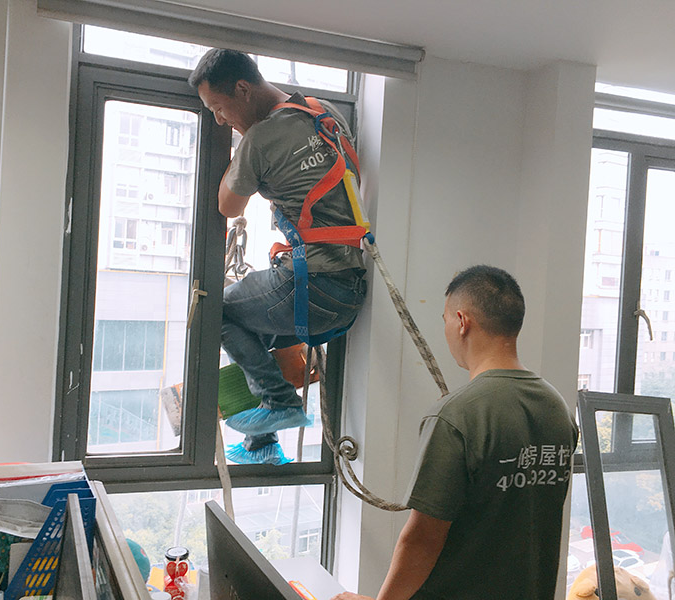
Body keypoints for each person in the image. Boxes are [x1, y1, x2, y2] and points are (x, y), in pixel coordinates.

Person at [332, 265, 579, 600]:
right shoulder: (557, 408)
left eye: (445, 319)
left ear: (462, 322)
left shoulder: (455, 416)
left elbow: (422, 539)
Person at [188, 49, 367, 465]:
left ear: (243, 89)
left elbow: (228, 206)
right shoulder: (323, 113)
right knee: (249, 339)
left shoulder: (260, 138)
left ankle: (280, 401)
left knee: (216, 313)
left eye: (218, 108)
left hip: (310, 288)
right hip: (348, 290)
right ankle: (262, 442)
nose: (220, 121)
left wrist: (240, 150)